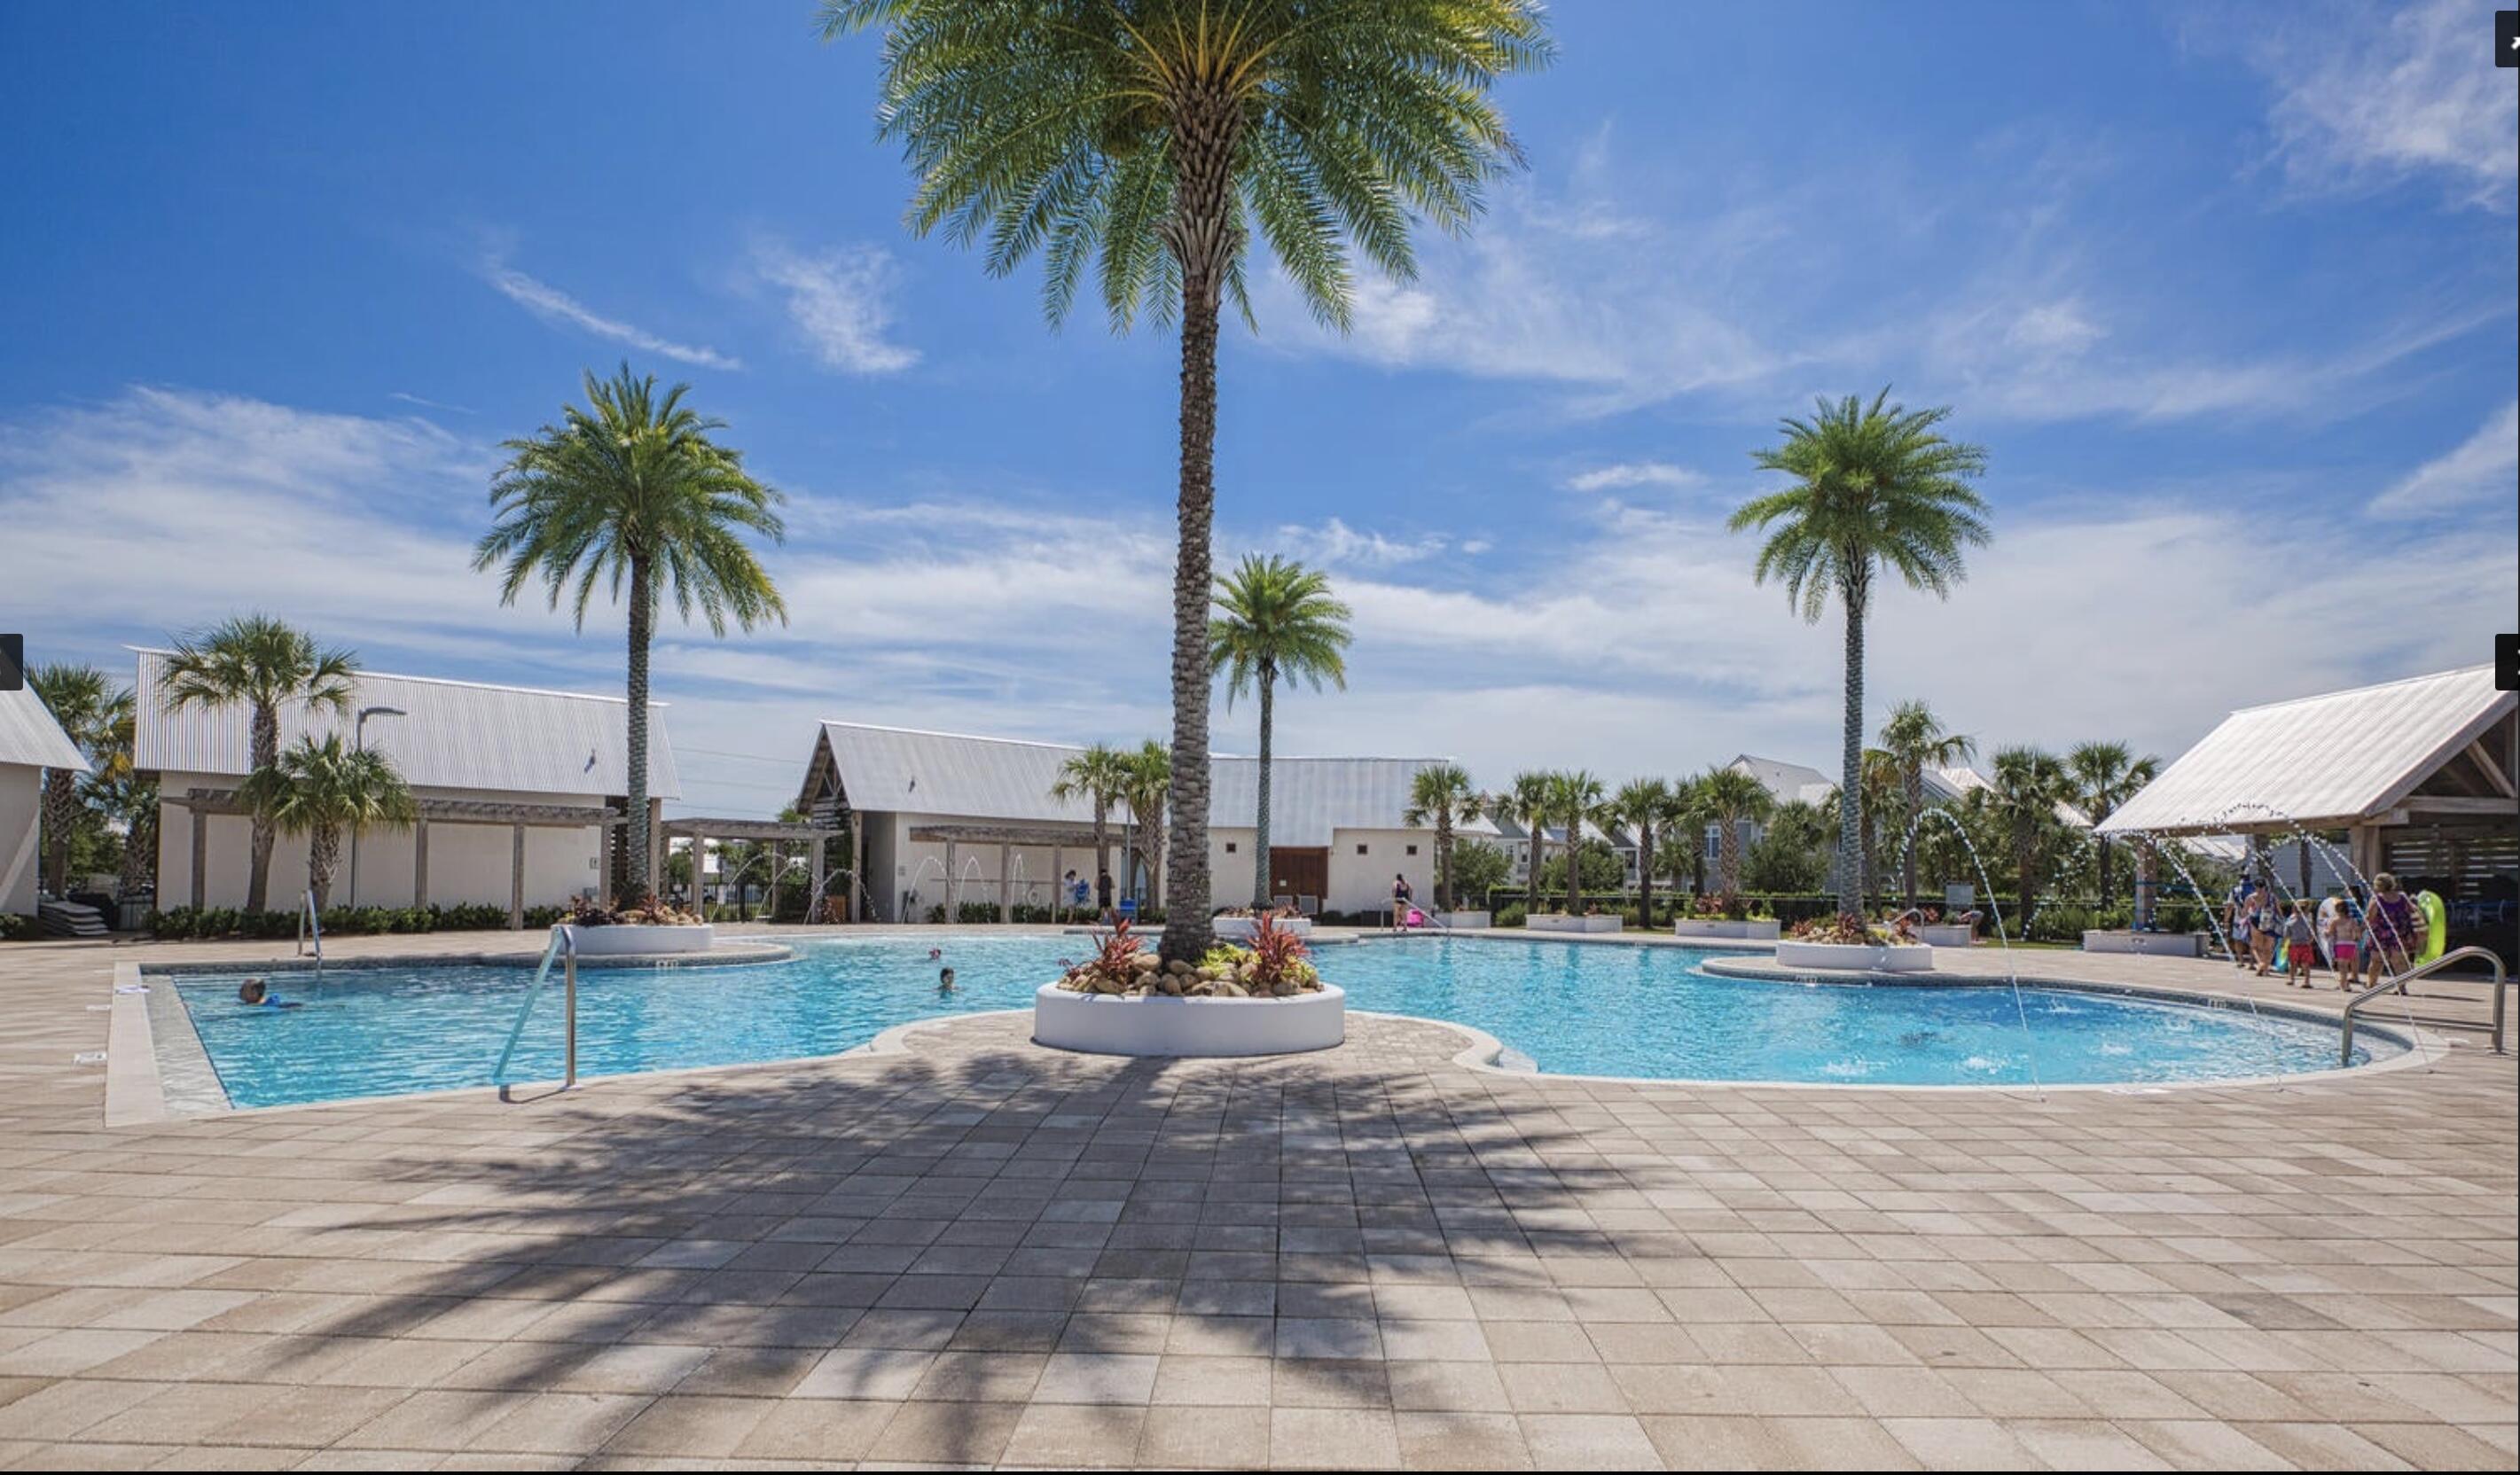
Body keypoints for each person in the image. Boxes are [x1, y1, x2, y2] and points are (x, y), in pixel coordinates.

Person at [2365, 872, 2419, 988]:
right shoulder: (2402, 896)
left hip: (2380, 935)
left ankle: (2371, 985)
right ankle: (2401, 988)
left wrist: (2361, 929)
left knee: (2376, 962)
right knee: (2398, 961)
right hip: (2399, 933)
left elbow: (2370, 917)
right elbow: (2413, 911)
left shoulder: (2377, 899)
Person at [2281, 901, 2319, 987]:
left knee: (2292, 963)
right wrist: (2310, 940)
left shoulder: (2291, 920)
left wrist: (2283, 943)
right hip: (2305, 945)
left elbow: (2286, 934)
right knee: (2305, 964)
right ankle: (2307, 981)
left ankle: (2291, 979)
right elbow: (2312, 934)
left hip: (2294, 945)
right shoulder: (2307, 921)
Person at [2328, 903, 2363, 990]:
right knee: (2347, 965)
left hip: (2340, 944)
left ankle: (2344, 985)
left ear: (2337, 910)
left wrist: (2325, 932)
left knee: (2342, 966)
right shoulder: (2353, 921)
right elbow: (2357, 935)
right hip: (2351, 945)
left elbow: (2330, 933)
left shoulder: (2335, 921)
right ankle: (2343, 983)